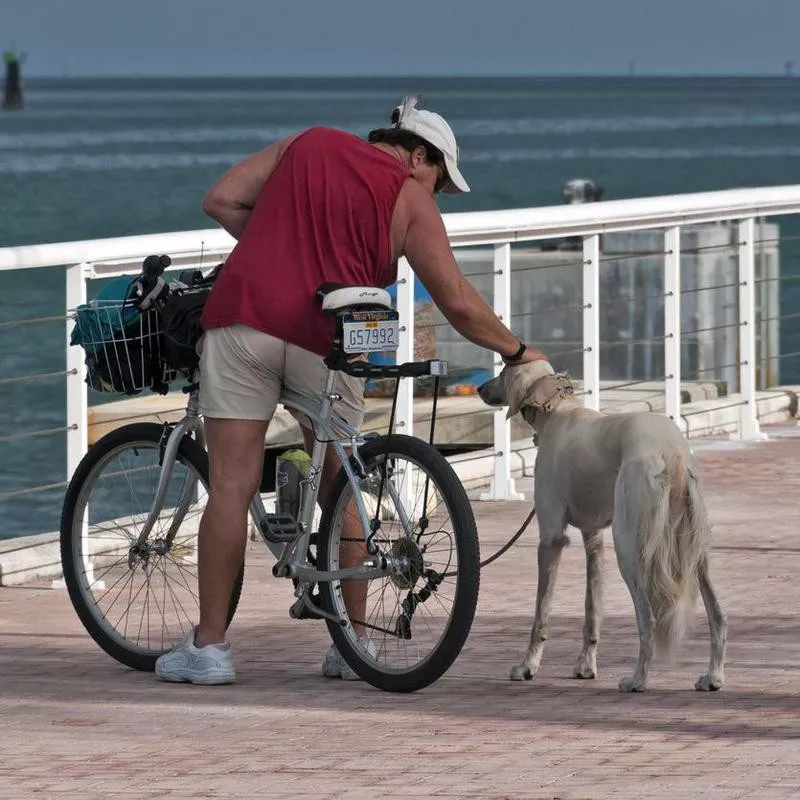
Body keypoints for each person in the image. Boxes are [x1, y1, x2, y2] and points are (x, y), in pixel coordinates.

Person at [154, 95, 549, 685]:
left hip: (246, 319)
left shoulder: (307, 141)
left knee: (232, 486)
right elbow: (458, 301)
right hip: (329, 336)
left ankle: (209, 650)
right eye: (440, 181)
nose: (436, 194)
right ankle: (353, 644)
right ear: (420, 156)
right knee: (345, 481)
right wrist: (519, 352)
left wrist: (272, 246)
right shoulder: (409, 198)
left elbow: (221, 200)